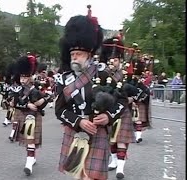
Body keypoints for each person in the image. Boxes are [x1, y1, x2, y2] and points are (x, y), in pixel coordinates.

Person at [55, 5, 126, 180]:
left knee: (91, 177)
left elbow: (122, 102)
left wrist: (109, 116)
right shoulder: (64, 79)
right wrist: (79, 121)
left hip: (98, 131)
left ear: (89, 54)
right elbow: (59, 110)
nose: (74, 58)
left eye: (78, 54)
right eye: (72, 55)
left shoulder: (103, 74)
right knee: (79, 176)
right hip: (76, 132)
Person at [100, 37, 137, 179]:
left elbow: (139, 90)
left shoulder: (127, 75)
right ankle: (114, 160)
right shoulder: (102, 75)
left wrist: (132, 97)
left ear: (120, 61)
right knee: (111, 139)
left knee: (122, 139)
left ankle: (120, 168)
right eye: (110, 59)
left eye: (115, 59)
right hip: (108, 111)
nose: (112, 62)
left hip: (123, 110)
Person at [9, 55, 51, 176]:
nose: (23, 79)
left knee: (31, 139)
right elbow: (13, 103)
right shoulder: (17, 89)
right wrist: (27, 105)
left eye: (25, 77)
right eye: (21, 76)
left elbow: (44, 101)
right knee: (28, 141)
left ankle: (28, 164)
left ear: (30, 77)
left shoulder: (35, 89)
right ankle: (31, 158)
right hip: (23, 114)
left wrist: (42, 101)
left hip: (34, 117)